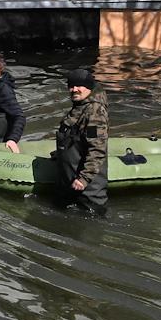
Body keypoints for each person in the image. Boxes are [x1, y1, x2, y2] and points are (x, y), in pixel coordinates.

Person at [55, 68, 109, 216]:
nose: (74, 89)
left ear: (89, 87)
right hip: (70, 184)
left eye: (79, 85)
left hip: (87, 191)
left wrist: (84, 178)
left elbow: (97, 148)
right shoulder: (79, 107)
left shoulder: (94, 112)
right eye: (71, 86)